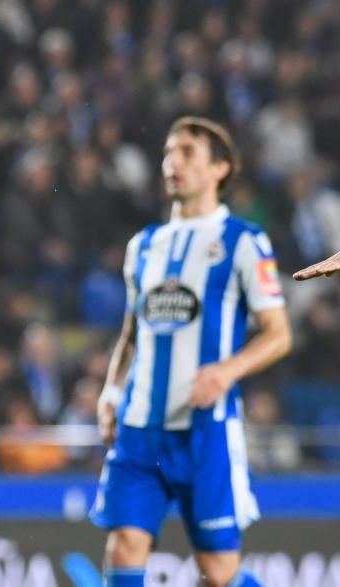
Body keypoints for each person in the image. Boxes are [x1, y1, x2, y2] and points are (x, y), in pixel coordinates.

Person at [91, 117, 292, 587]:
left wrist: (227, 371)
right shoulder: (144, 245)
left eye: (186, 153)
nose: (171, 162)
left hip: (205, 432)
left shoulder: (244, 241)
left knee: (218, 573)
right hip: (140, 428)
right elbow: (132, 331)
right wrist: (110, 392)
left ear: (220, 168)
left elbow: (278, 334)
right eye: (168, 152)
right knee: (123, 545)